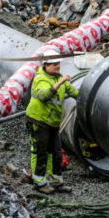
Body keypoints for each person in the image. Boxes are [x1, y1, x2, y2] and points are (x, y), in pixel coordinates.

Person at [26, 49, 78, 193]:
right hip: (39, 121)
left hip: (53, 123)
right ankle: (39, 183)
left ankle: (56, 182)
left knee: (56, 152)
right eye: (54, 64)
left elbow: (74, 92)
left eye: (58, 63)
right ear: (46, 65)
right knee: (40, 152)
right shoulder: (41, 79)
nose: (58, 66)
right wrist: (61, 82)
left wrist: (86, 97)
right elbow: (44, 96)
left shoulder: (58, 77)